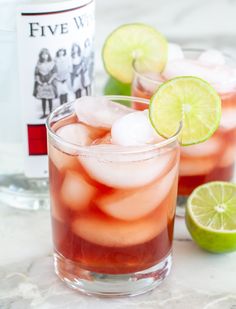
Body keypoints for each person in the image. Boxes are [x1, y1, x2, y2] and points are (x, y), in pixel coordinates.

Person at [33, 48, 57, 119]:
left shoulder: (52, 63)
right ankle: (44, 113)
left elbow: (55, 73)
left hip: (49, 83)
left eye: (46, 54)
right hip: (42, 84)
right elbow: (36, 74)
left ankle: (51, 113)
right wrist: (40, 82)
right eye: (43, 54)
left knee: (50, 99)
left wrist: (50, 81)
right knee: (43, 99)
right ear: (41, 55)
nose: (44, 56)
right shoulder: (38, 64)